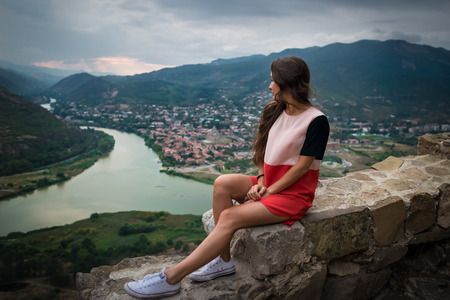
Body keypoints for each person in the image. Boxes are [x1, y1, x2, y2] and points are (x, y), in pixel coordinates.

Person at [124, 56, 330, 298]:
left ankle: (171, 277)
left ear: (287, 83)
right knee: (222, 183)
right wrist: (262, 181)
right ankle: (223, 260)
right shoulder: (275, 111)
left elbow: (304, 166)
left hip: (293, 195)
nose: (269, 86)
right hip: (269, 184)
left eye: (273, 81)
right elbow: (263, 152)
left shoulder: (317, 121)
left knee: (231, 216)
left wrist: (270, 191)